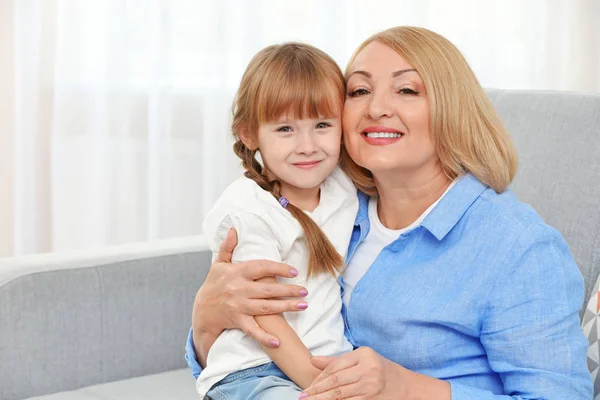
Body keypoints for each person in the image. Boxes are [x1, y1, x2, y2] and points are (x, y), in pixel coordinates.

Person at [186, 27, 592, 399]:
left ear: (451, 108)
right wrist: (206, 322)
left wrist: (405, 387)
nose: (377, 108)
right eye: (359, 91)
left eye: (408, 90)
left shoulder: (515, 246)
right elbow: (237, 360)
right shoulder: (336, 204)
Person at [193, 42, 359, 399]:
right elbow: (264, 312)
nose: (307, 145)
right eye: (285, 129)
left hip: (327, 360)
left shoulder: (342, 187)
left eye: (323, 125)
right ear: (249, 133)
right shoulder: (249, 210)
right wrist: (320, 387)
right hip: (251, 372)